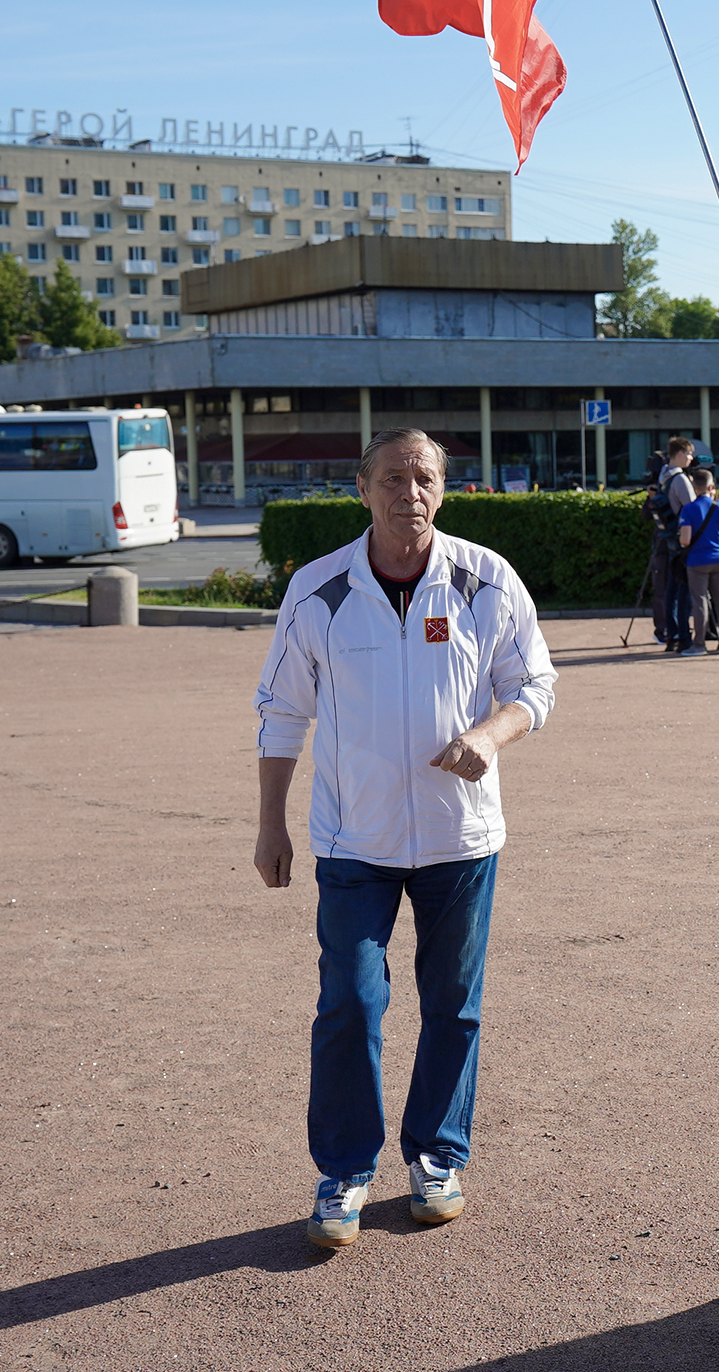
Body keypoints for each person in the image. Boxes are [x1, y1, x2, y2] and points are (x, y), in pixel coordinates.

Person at [253, 428, 558, 1249]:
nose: (408, 492)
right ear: (362, 489)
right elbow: (282, 711)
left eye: (423, 477)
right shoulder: (319, 591)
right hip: (355, 841)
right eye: (392, 477)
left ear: (443, 490)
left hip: (463, 839)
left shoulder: (485, 580)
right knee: (350, 1001)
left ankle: (435, 1157)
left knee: (453, 1006)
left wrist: (491, 736)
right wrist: (270, 823)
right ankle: (346, 1170)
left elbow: (534, 682)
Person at [678, 464, 719, 657]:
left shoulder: (688, 509)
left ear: (695, 487)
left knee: (700, 601)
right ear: (711, 486)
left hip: (697, 561)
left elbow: (685, 540)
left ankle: (699, 644)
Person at [648, 439, 697, 654]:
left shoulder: (663, 475)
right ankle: (683, 636)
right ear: (679, 454)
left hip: (667, 538)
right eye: (688, 454)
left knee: (670, 589)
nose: (691, 458)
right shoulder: (680, 479)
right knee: (682, 590)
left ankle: (671, 634)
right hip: (682, 538)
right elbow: (693, 508)